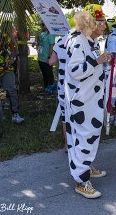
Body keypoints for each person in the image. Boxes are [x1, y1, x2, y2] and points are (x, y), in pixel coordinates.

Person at [64, 4, 112, 199]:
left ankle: (85, 167)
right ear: (90, 23)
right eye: (100, 22)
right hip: (82, 102)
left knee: (89, 136)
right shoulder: (78, 41)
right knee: (84, 136)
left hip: (91, 100)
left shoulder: (88, 41)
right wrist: (97, 61)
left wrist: (99, 61)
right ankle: (81, 180)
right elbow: (75, 71)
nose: (104, 26)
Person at [49, 17, 78, 152]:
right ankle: (78, 144)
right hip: (77, 83)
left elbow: (51, 62)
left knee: (64, 114)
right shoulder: (79, 40)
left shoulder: (60, 41)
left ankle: (67, 144)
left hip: (63, 83)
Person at [0, 20, 24, 124]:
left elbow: (13, 49)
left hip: (7, 68)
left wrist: (12, 58)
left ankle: (15, 114)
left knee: (11, 90)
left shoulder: (2, 38)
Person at [36, 22, 55, 91]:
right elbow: (38, 44)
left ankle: (50, 88)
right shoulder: (41, 34)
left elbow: (52, 45)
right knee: (44, 74)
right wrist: (36, 41)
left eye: (42, 25)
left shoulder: (51, 34)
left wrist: (49, 57)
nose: (41, 26)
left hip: (46, 58)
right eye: (41, 25)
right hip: (40, 57)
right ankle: (46, 87)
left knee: (49, 73)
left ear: (46, 25)